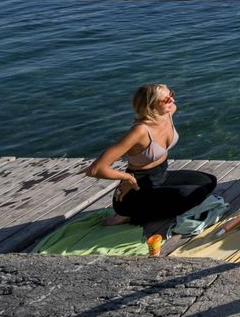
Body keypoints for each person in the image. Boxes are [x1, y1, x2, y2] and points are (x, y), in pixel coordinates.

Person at [86, 84, 217, 226]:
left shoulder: (169, 111)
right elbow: (95, 169)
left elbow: (172, 105)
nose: (172, 101)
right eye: (166, 99)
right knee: (196, 194)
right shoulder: (140, 131)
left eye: (171, 95)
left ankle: (154, 207)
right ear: (150, 104)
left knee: (209, 182)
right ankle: (130, 216)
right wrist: (128, 178)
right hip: (137, 190)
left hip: (162, 175)